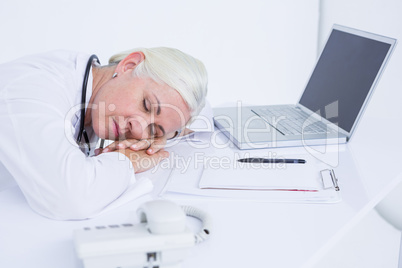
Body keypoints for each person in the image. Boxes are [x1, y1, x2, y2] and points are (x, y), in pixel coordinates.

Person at [0, 47, 208, 220]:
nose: (138, 128)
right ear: (129, 65)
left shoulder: (97, 88)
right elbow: (71, 198)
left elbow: (203, 109)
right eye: (146, 105)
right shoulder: (33, 89)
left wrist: (168, 132)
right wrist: (126, 159)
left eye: (153, 130)